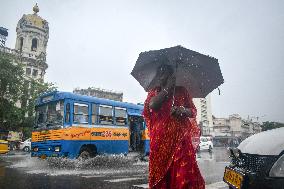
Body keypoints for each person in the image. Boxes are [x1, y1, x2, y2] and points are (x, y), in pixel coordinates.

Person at [143, 64, 205, 189]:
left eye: (163, 71)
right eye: (158, 71)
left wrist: (182, 110)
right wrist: (167, 88)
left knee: (183, 178)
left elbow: (193, 111)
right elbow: (153, 105)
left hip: (180, 143)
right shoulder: (154, 91)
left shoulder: (182, 91)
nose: (160, 75)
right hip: (160, 144)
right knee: (162, 181)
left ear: (171, 75)